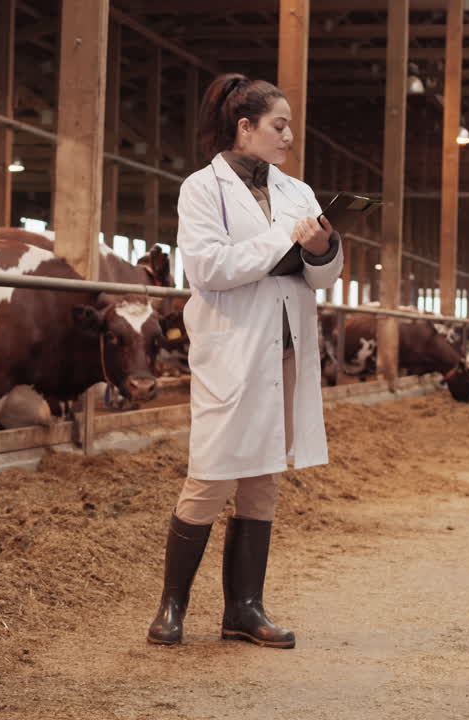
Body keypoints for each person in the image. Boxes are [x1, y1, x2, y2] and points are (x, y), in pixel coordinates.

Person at [147, 73, 343, 649]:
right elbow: (207, 268)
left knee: (263, 479)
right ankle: (172, 606)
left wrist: (320, 249)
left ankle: (244, 610)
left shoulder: (299, 192)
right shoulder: (201, 189)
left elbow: (325, 276)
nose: (288, 136)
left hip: (285, 349)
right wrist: (284, 244)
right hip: (232, 350)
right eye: (278, 126)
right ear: (245, 127)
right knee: (210, 476)